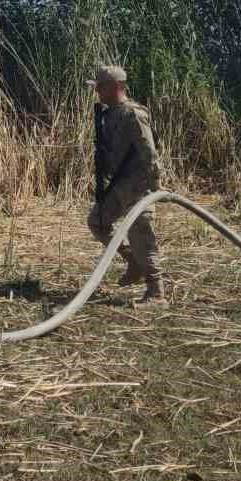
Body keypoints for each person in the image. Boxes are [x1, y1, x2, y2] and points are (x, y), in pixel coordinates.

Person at [86, 65, 166, 305]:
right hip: (120, 184)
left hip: (138, 185)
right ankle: (133, 261)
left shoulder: (133, 114)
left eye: (101, 86)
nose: (97, 90)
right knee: (98, 222)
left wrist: (154, 186)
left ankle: (156, 292)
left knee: (141, 234)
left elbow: (149, 152)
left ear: (117, 87)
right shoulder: (109, 113)